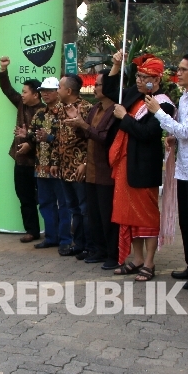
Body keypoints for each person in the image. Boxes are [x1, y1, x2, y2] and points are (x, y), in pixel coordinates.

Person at [146, 53, 188, 289]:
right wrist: (172, 136)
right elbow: (182, 132)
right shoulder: (186, 97)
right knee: (186, 220)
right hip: (185, 166)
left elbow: (187, 131)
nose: (179, 73)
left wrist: (158, 112)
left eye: (183, 69)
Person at [105, 52, 176, 282]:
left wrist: (125, 118)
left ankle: (149, 262)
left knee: (146, 216)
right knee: (128, 216)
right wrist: (116, 65)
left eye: (144, 76)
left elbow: (147, 134)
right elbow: (110, 90)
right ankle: (136, 259)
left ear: (156, 80)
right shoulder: (136, 94)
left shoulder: (163, 104)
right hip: (127, 165)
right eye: (137, 75)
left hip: (144, 167)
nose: (138, 80)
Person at [66, 71, 119, 268]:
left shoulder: (115, 111)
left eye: (98, 85)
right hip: (91, 171)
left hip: (106, 171)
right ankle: (98, 250)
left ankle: (113, 254)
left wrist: (83, 125)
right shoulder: (95, 108)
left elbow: (104, 138)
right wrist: (77, 123)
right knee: (94, 215)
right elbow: (87, 135)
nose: (95, 88)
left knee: (108, 217)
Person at [0, 57, 43, 242]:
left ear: (36, 95)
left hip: (40, 162)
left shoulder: (45, 111)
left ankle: (53, 233)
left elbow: (47, 137)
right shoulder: (21, 104)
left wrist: (30, 145)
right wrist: (3, 69)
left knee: (44, 198)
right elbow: (7, 90)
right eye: (22, 92)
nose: (22, 94)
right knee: (24, 196)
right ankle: (31, 231)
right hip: (21, 160)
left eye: (25, 92)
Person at [26, 77, 72, 251]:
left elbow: (66, 139)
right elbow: (31, 133)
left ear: (57, 92)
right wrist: (30, 135)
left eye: (49, 91)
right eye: (42, 91)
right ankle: (51, 237)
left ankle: (66, 239)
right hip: (41, 166)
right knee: (45, 203)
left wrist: (49, 137)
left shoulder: (65, 112)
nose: (44, 94)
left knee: (64, 204)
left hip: (59, 166)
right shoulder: (40, 113)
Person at [52, 73, 92, 258]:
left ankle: (89, 246)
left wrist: (84, 163)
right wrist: (54, 161)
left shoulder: (87, 108)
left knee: (84, 209)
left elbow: (92, 140)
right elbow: (57, 137)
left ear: (69, 90)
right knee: (72, 208)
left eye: (59, 87)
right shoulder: (59, 109)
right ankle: (78, 243)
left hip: (79, 168)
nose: (57, 90)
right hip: (64, 167)